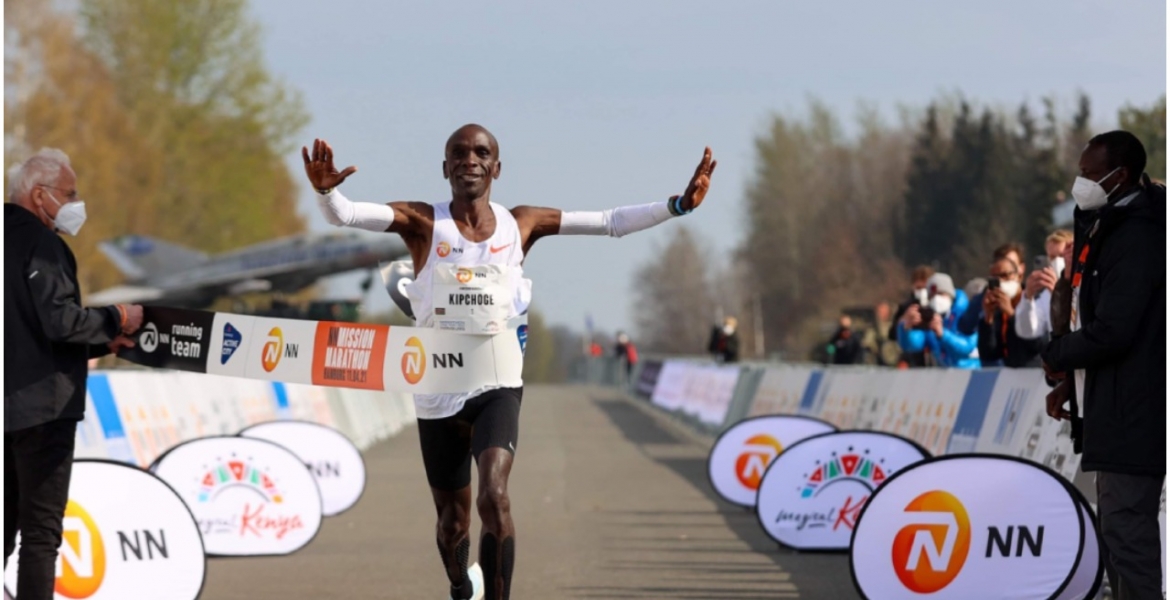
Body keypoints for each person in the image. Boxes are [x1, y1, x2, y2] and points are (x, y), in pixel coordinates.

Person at [302, 127, 716, 600]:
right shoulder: (421, 221)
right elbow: (348, 214)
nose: (470, 160)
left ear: (497, 168)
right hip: (437, 389)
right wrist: (325, 191)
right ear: (445, 169)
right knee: (451, 523)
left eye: (482, 153)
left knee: (494, 497)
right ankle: (462, 584)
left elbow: (609, 221)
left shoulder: (521, 224)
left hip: (496, 382)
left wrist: (678, 206)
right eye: (458, 153)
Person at [5, 148, 143, 600]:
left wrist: (104, 343)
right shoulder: (44, 245)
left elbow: (26, 330)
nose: (75, 203)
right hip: (42, 412)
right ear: (40, 196)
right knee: (40, 535)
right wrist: (115, 319)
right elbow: (59, 322)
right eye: (70, 193)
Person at [1042, 131, 1165, 600]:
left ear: (1122, 176)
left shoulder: (1138, 236)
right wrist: (1072, 386)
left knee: (1127, 534)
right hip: (1110, 401)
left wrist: (1056, 354)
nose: (1081, 182)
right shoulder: (1105, 223)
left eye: (1090, 174)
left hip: (1137, 407)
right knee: (1117, 537)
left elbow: (1115, 330)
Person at [896, 273, 979, 369]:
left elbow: (967, 348)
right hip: (946, 377)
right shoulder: (931, 318)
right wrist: (905, 328)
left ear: (950, 295)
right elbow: (913, 345)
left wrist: (943, 334)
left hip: (971, 374)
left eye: (941, 294)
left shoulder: (966, 313)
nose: (936, 299)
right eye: (932, 296)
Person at [975, 255, 1043, 368]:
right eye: (995, 279)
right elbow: (989, 354)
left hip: (1037, 374)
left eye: (1005, 275)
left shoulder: (1035, 300)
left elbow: (1037, 345)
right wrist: (988, 318)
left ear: (1018, 276)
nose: (1001, 281)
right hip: (1011, 375)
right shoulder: (998, 308)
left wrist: (1011, 314)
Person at [1015, 229, 1073, 341]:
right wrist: (1028, 298)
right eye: (1051, 257)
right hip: (1061, 353)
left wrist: (1059, 294)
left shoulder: (1082, 284)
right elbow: (1028, 331)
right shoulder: (1046, 294)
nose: (1056, 261)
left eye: (1061, 255)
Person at [958, 242, 1025, 336]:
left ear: (1021, 268)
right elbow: (965, 326)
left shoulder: (1031, 297)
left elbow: (1035, 342)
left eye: (1011, 264)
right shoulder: (985, 296)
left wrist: (1010, 314)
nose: (1001, 280)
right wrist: (987, 315)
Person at [888, 265, 933, 367]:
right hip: (913, 358)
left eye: (924, 288)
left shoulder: (938, 305)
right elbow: (892, 335)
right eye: (918, 288)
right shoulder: (906, 307)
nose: (922, 291)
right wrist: (904, 321)